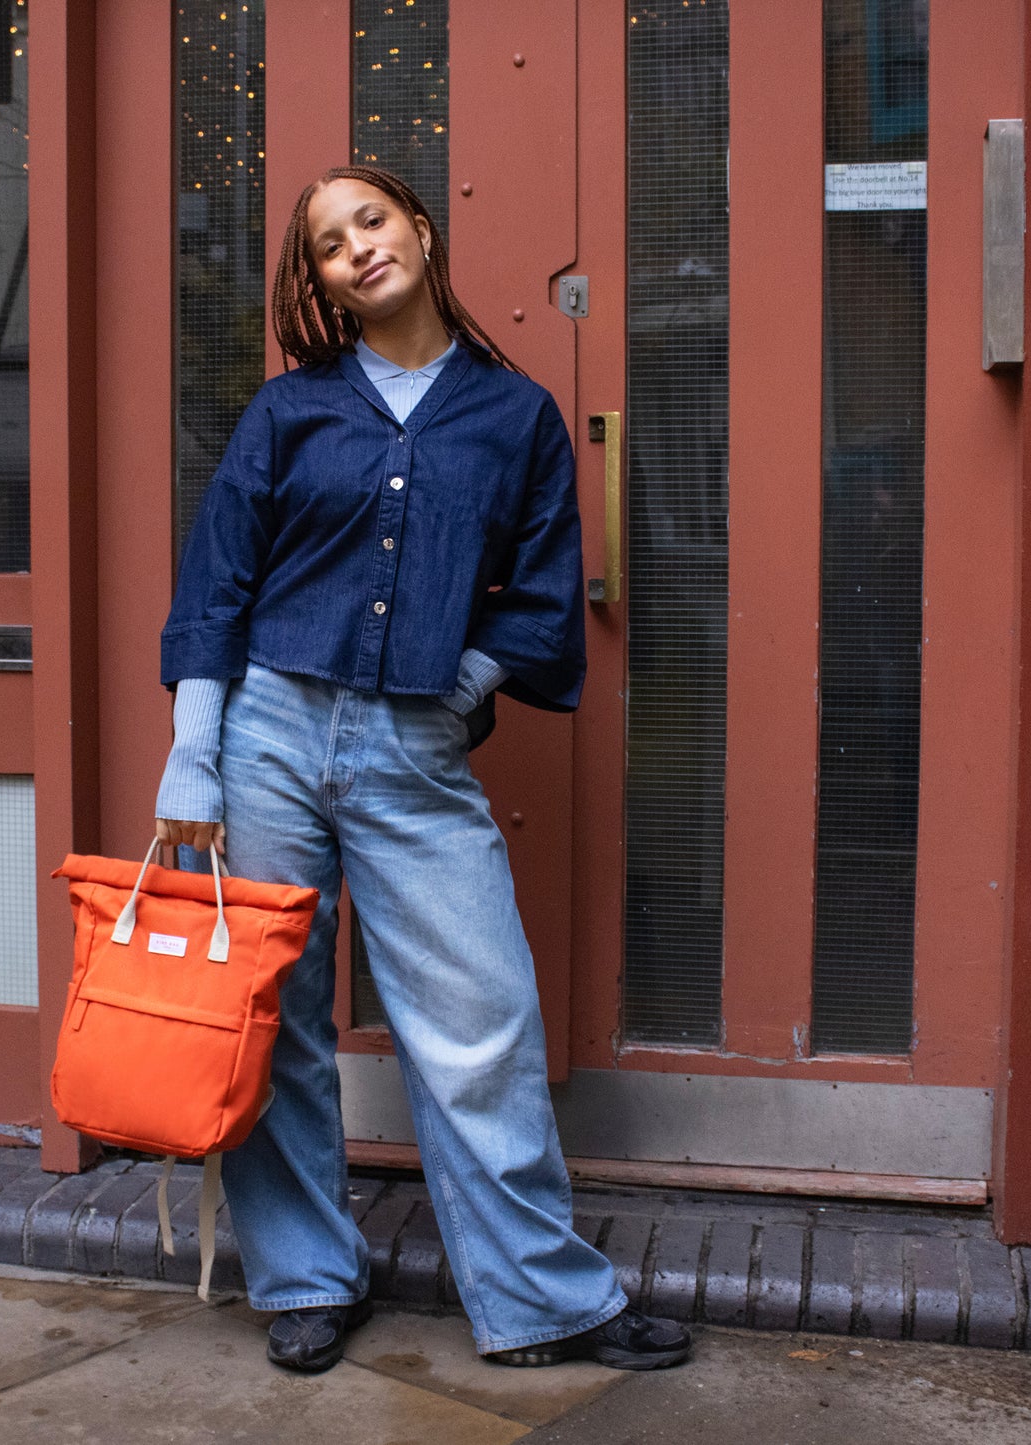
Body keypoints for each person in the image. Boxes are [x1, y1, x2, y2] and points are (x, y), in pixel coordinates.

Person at [155, 165, 691, 1376]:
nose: (357, 248)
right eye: (329, 243)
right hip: (268, 737)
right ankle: (302, 1274)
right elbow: (215, 590)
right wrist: (194, 758)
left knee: (479, 1021)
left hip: (412, 751)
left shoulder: (516, 418)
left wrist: (448, 698)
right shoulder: (289, 413)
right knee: (278, 1018)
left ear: (419, 230)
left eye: (371, 221)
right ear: (322, 283)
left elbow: (546, 599)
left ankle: (543, 1299)